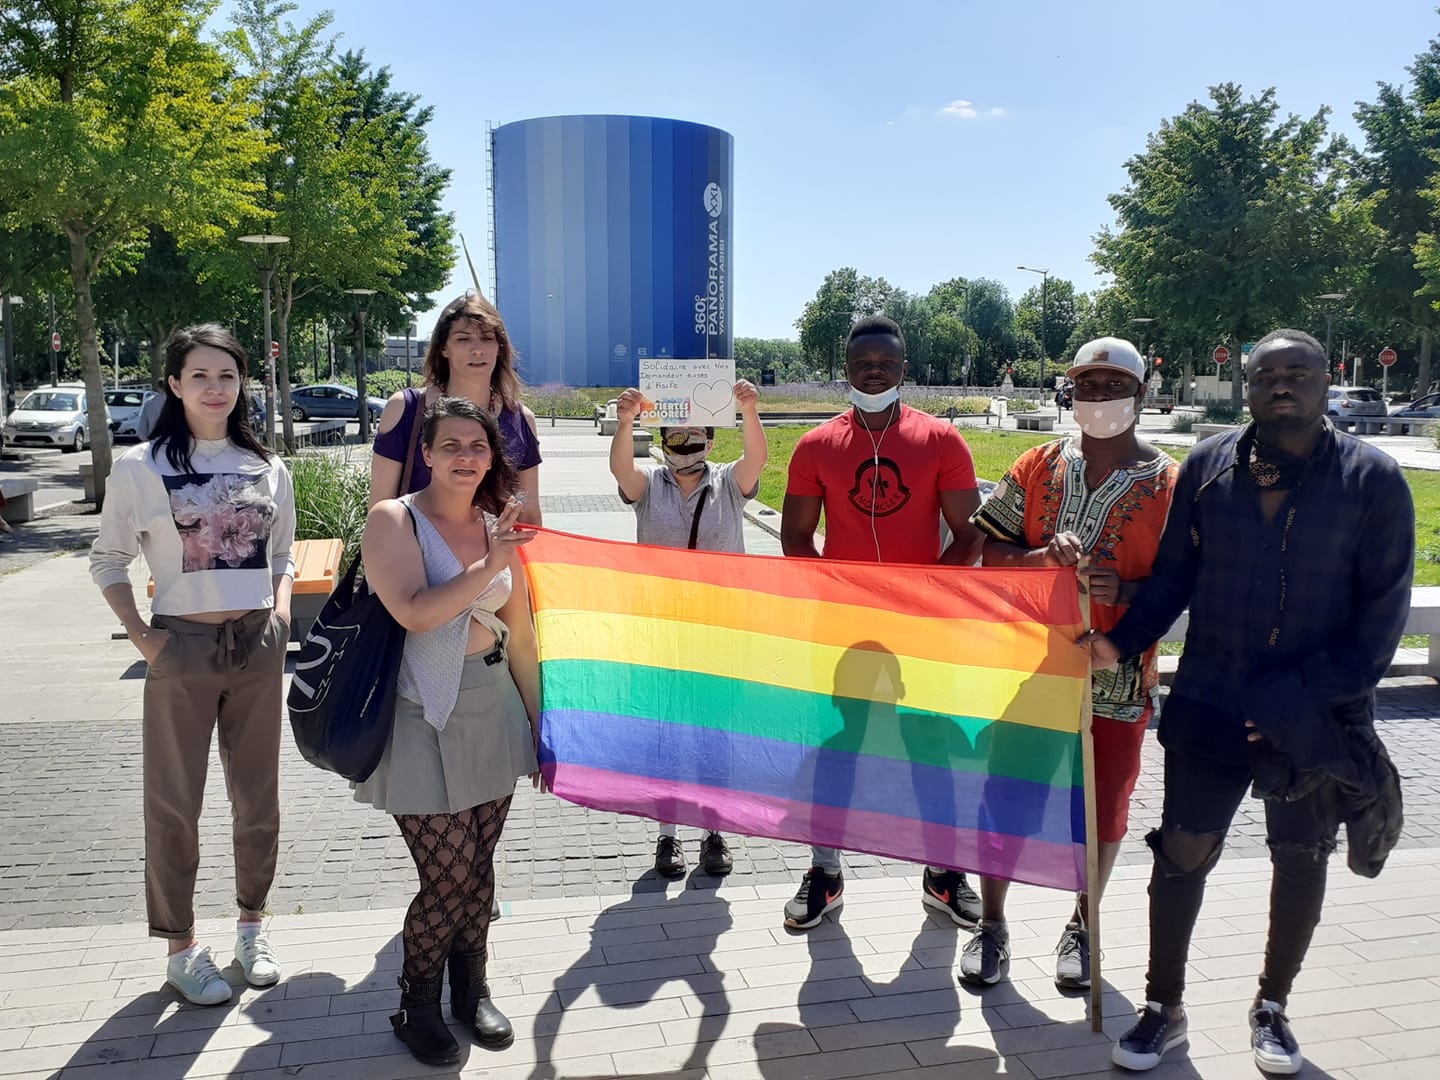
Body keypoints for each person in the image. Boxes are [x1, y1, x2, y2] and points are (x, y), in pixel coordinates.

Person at [1080, 330, 1413, 1074]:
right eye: (1267, 375)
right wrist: (1121, 642)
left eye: (1298, 373)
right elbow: (1173, 578)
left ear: (1329, 380)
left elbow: (1379, 625)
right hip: (1208, 704)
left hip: (1311, 717)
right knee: (1182, 855)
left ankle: (1273, 1007)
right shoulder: (1208, 467)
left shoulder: (1373, 481)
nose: (1282, 386)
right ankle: (1162, 1006)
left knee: (1299, 858)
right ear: (1247, 386)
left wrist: (1300, 701)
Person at [90, 324, 295, 1005]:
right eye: (201, 376)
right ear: (175, 384)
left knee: (258, 798)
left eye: (228, 377)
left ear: (243, 386)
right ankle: (181, 947)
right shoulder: (139, 467)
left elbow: (280, 557)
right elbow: (108, 558)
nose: (216, 388)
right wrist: (144, 636)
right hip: (179, 648)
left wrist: (281, 612)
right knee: (175, 804)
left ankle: (251, 928)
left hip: (257, 646)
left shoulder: (267, 468)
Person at [964, 337, 1178, 991]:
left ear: (1142, 396)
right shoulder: (1036, 465)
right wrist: (1040, 563)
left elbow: (1186, 583)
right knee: (1007, 800)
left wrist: (1128, 592)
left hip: (1117, 681)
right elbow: (989, 557)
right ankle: (991, 926)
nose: (1099, 398)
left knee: (1105, 810)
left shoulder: (1173, 483)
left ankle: (1084, 926)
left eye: (1114, 385)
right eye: (1087, 385)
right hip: (1027, 669)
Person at [780, 314, 986, 930]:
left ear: (903, 370)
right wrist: (840, 595)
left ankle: (944, 874)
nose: (874, 371)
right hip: (844, 623)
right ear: (847, 369)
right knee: (834, 747)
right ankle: (826, 873)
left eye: (886, 363)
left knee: (932, 746)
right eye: (863, 362)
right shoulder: (816, 446)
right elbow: (795, 537)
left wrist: (925, 594)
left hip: (923, 623)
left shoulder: (943, 440)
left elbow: (970, 532)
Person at [356, 396, 541, 1067]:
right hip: (419, 712)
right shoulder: (393, 521)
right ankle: (417, 1003)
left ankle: (473, 990)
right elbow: (413, 612)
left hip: (493, 707)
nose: (467, 457)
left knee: (479, 867)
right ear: (426, 454)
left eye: (479, 446)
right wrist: (489, 562)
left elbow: (519, 634)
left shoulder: (499, 527)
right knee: (449, 873)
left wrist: (539, 720)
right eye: (452, 445)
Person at [609, 379, 767, 878]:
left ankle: (714, 830)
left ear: (711, 441)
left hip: (720, 630)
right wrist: (625, 421)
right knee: (666, 734)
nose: (685, 446)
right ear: (663, 441)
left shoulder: (727, 485)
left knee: (716, 732)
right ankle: (666, 836)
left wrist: (749, 411)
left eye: (695, 437)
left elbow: (756, 462)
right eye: (675, 437)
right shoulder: (649, 487)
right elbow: (621, 470)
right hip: (661, 631)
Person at [371, 293, 542, 526]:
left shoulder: (520, 419)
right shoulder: (406, 409)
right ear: (444, 348)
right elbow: (379, 508)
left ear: (499, 348)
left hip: (497, 558)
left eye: (487, 338)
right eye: (463, 339)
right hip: (415, 557)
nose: (477, 350)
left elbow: (530, 515)